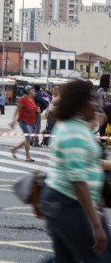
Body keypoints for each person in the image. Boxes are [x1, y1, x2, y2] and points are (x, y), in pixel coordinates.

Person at [38, 79, 111, 262]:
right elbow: (78, 181)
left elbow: (88, 164)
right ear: (80, 103)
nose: (96, 105)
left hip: (66, 203)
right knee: (96, 258)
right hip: (67, 204)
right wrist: (95, 224)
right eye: (92, 100)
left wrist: (97, 200)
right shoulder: (73, 132)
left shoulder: (77, 126)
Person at [9, 85, 38, 162]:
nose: (34, 92)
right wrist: (13, 121)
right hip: (23, 121)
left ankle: (14, 149)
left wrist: (37, 110)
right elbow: (17, 110)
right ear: (29, 92)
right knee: (28, 138)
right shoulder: (23, 99)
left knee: (29, 139)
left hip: (31, 121)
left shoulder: (32, 99)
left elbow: (34, 108)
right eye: (33, 90)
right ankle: (27, 156)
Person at [96, 73, 111, 140]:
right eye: (109, 79)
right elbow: (99, 103)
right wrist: (103, 113)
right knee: (103, 128)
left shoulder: (109, 89)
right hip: (104, 111)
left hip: (109, 111)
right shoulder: (100, 90)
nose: (110, 80)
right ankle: (102, 142)